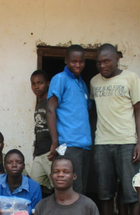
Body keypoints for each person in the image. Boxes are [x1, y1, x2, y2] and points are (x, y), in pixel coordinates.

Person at [90, 43, 140, 215]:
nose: (102, 65)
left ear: (117, 59)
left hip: (126, 142)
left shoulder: (131, 78)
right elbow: (94, 112)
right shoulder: (94, 81)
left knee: (131, 194)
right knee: (105, 193)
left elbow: (139, 109)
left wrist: (139, 142)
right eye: (99, 62)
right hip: (102, 143)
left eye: (107, 61)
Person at [46, 44, 92, 194]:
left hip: (84, 146)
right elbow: (50, 109)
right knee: (71, 190)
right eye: (74, 61)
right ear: (66, 61)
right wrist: (54, 141)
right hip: (69, 145)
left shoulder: (82, 84)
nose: (78, 65)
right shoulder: (60, 79)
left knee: (82, 190)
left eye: (81, 61)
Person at [29, 70, 53, 195]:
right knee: (35, 186)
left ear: (48, 83)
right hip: (39, 153)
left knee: (59, 184)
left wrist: (56, 146)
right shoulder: (39, 104)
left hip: (51, 152)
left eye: (40, 83)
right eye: (33, 84)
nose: (36, 86)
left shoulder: (52, 102)